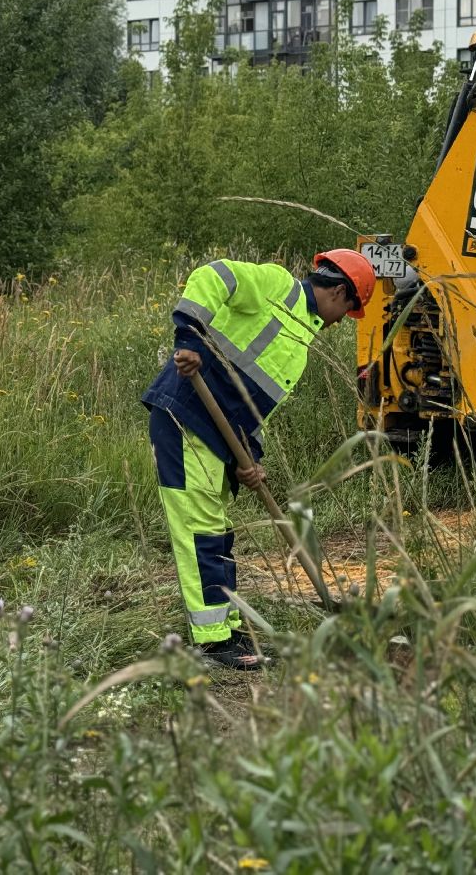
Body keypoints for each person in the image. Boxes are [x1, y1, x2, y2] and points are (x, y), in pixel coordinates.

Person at [141, 250, 376, 669]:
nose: (341, 320)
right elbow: (214, 275)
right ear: (339, 291)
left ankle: (225, 627)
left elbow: (246, 408)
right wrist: (189, 341)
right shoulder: (276, 286)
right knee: (200, 530)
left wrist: (248, 458)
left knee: (216, 530)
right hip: (185, 414)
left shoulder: (301, 342)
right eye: (348, 309)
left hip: (218, 434)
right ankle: (212, 643)